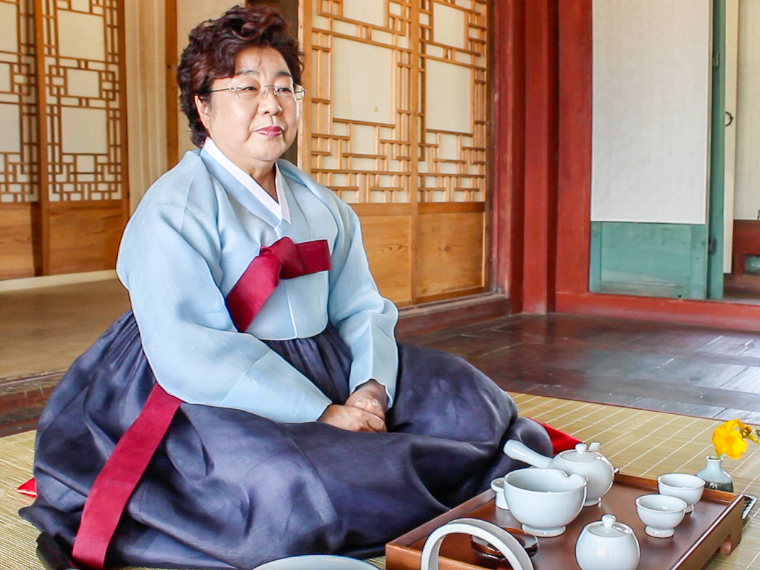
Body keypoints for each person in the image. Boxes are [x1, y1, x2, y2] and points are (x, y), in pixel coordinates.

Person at [20, 5, 552, 569]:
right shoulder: (173, 209)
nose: (271, 104)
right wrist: (321, 413)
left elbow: (361, 307)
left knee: (468, 398)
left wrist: (369, 389)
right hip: (207, 384)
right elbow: (192, 349)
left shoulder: (323, 206)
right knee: (286, 486)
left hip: (323, 359)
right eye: (247, 88)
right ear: (203, 105)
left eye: (283, 87)